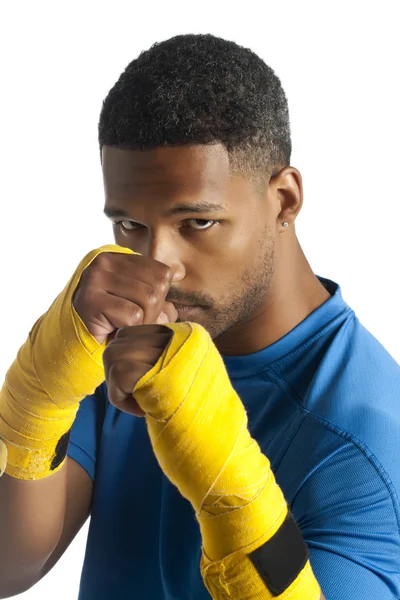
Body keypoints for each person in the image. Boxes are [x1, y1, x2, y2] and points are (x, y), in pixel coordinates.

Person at [0, 33, 399, 600]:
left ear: (284, 199)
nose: (158, 267)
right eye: (131, 226)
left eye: (198, 223)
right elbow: (11, 565)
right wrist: (37, 399)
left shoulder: (366, 443)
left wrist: (227, 479)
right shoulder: (119, 342)